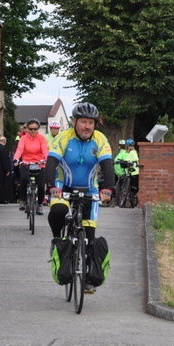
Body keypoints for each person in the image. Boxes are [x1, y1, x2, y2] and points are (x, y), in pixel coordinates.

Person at [45, 102, 114, 293]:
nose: (87, 127)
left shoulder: (100, 139)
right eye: (83, 122)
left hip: (90, 189)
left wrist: (108, 188)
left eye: (91, 123)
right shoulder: (63, 138)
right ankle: (57, 240)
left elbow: (107, 165)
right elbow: (51, 162)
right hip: (63, 186)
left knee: (90, 238)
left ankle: (87, 279)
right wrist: (51, 186)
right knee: (59, 210)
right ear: (74, 122)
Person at [13, 119, 48, 215]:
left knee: (41, 186)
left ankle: (40, 204)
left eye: (35, 129)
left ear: (38, 129)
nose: (33, 131)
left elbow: (45, 149)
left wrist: (46, 158)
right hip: (26, 163)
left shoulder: (42, 139)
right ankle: (23, 201)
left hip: (39, 163)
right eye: (31, 129)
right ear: (27, 129)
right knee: (23, 179)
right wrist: (16, 159)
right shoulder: (23, 139)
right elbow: (19, 149)